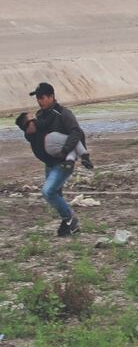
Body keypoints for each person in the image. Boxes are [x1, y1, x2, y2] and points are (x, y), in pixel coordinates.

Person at [23, 83, 89, 236]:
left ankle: (71, 218)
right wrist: (28, 131)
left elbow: (77, 132)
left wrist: (67, 151)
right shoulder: (40, 116)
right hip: (50, 163)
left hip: (64, 162)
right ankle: (67, 225)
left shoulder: (64, 114)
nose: (39, 101)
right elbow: (34, 137)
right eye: (38, 98)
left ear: (51, 97)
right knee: (56, 195)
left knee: (48, 192)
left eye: (42, 98)